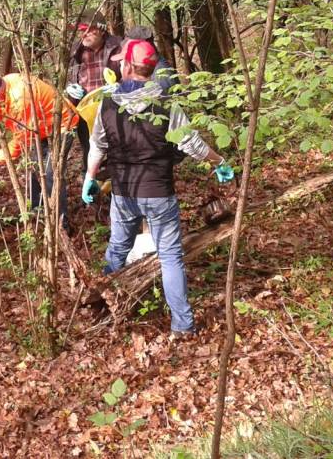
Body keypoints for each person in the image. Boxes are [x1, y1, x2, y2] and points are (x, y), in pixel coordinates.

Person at [81, 39, 234, 336]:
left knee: (117, 249)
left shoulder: (107, 102)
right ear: (152, 69)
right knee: (170, 257)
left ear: (126, 65)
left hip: (124, 192)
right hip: (158, 192)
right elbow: (191, 143)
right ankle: (183, 326)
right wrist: (218, 161)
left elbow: (97, 145)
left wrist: (90, 176)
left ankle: (102, 309)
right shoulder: (165, 101)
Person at [0, 72, 79, 228]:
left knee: (51, 174)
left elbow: (21, 141)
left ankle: (61, 223)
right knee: (32, 169)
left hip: (62, 126)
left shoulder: (20, 100)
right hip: (40, 129)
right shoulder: (4, 86)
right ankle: (36, 213)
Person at [64, 10, 123, 169]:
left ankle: (114, 189)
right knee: (89, 150)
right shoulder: (76, 50)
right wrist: (69, 88)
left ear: (101, 29)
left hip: (113, 109)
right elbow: (68, 77)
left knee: (116, 151)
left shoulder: (119, 46)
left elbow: (133, 75)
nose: (83, 35)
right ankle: (92, 187)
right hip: (85, 112)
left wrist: (121, 86)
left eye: (87, 30)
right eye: (81, 31)